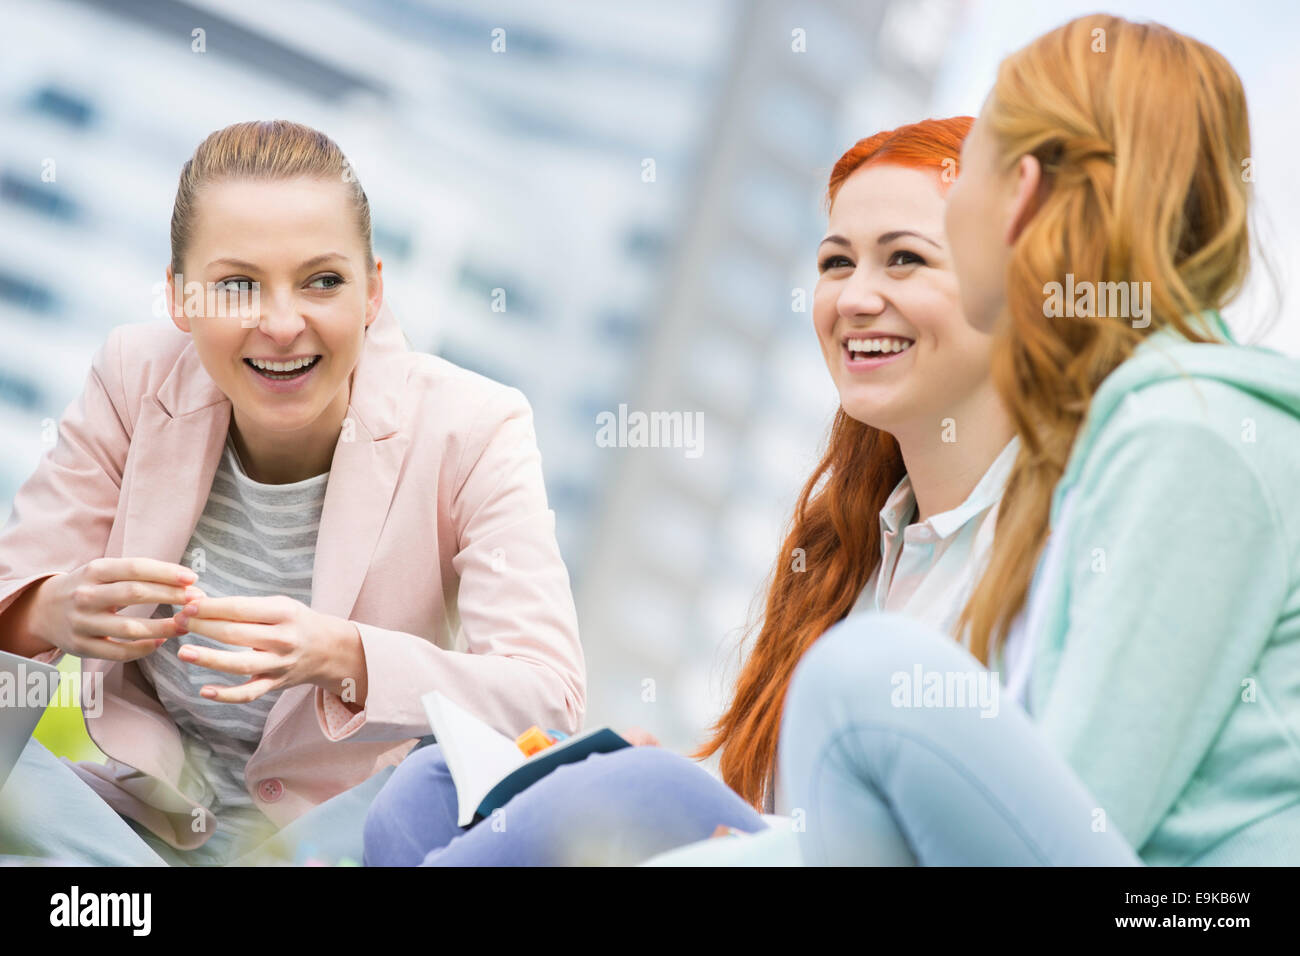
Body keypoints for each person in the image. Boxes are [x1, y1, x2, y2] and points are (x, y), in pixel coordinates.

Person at [363, 116, 1023, 866]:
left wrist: (643, 796)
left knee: (623, 794)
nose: (856, 298)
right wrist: (660, 792)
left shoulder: (1045, 544)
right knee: (430, 790)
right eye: (837, 263)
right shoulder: (853, 554)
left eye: (905, 260)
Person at [778, 12, 1300, 866]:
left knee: (859, 680)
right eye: (837, 262)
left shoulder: (1192, 435)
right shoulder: (1131, 436)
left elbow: (1072, 821)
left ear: (1019, 191)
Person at [0, 119, 585, 866]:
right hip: (128, 831)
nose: (282, 324)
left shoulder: (474, 429)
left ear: (373, 290)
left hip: (336, 848)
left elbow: (547, 701)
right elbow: (14, 595)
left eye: (323, 281)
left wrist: (344, 654)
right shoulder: (133, 377)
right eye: (238, 284)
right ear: (180, 299)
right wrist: (51, 608)